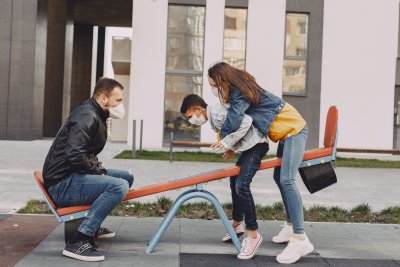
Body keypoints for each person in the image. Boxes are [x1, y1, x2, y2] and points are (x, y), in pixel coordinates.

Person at [207, 62, 314, 264]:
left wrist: (223, 138)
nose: (214, 90)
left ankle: (300, 238)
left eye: (215, 85)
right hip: (286, 134)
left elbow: (235, 118)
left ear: (223, 80)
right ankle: (291, 226)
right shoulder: (243, 87)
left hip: (295, 130)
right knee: (279, 177)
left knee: (287, 179)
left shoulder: (240, 92)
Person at [42, 77, 134, 262]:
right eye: (118, 100)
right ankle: (80, 240)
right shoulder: (87, 116)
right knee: (119, 186)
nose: (121, 105)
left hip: (72, 176)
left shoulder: (95, 113)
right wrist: (97, 171)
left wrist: (96, 169)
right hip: (62, 184)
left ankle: (93, 222)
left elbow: (85, 154)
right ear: (103, 98)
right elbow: (75, 156)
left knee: (127, 177)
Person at [180, 94, 268, 260]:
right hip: (250, 145)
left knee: (242, 184)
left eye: (190, 117)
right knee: (234, 179)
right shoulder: (214, 116)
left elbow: (246, 122)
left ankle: (253, 234)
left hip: (257, 145)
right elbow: (236, 128)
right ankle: (236, 224)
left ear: (198, 109)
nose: (191, 121)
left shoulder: (217, 114)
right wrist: (232, 147)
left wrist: (227, 143)